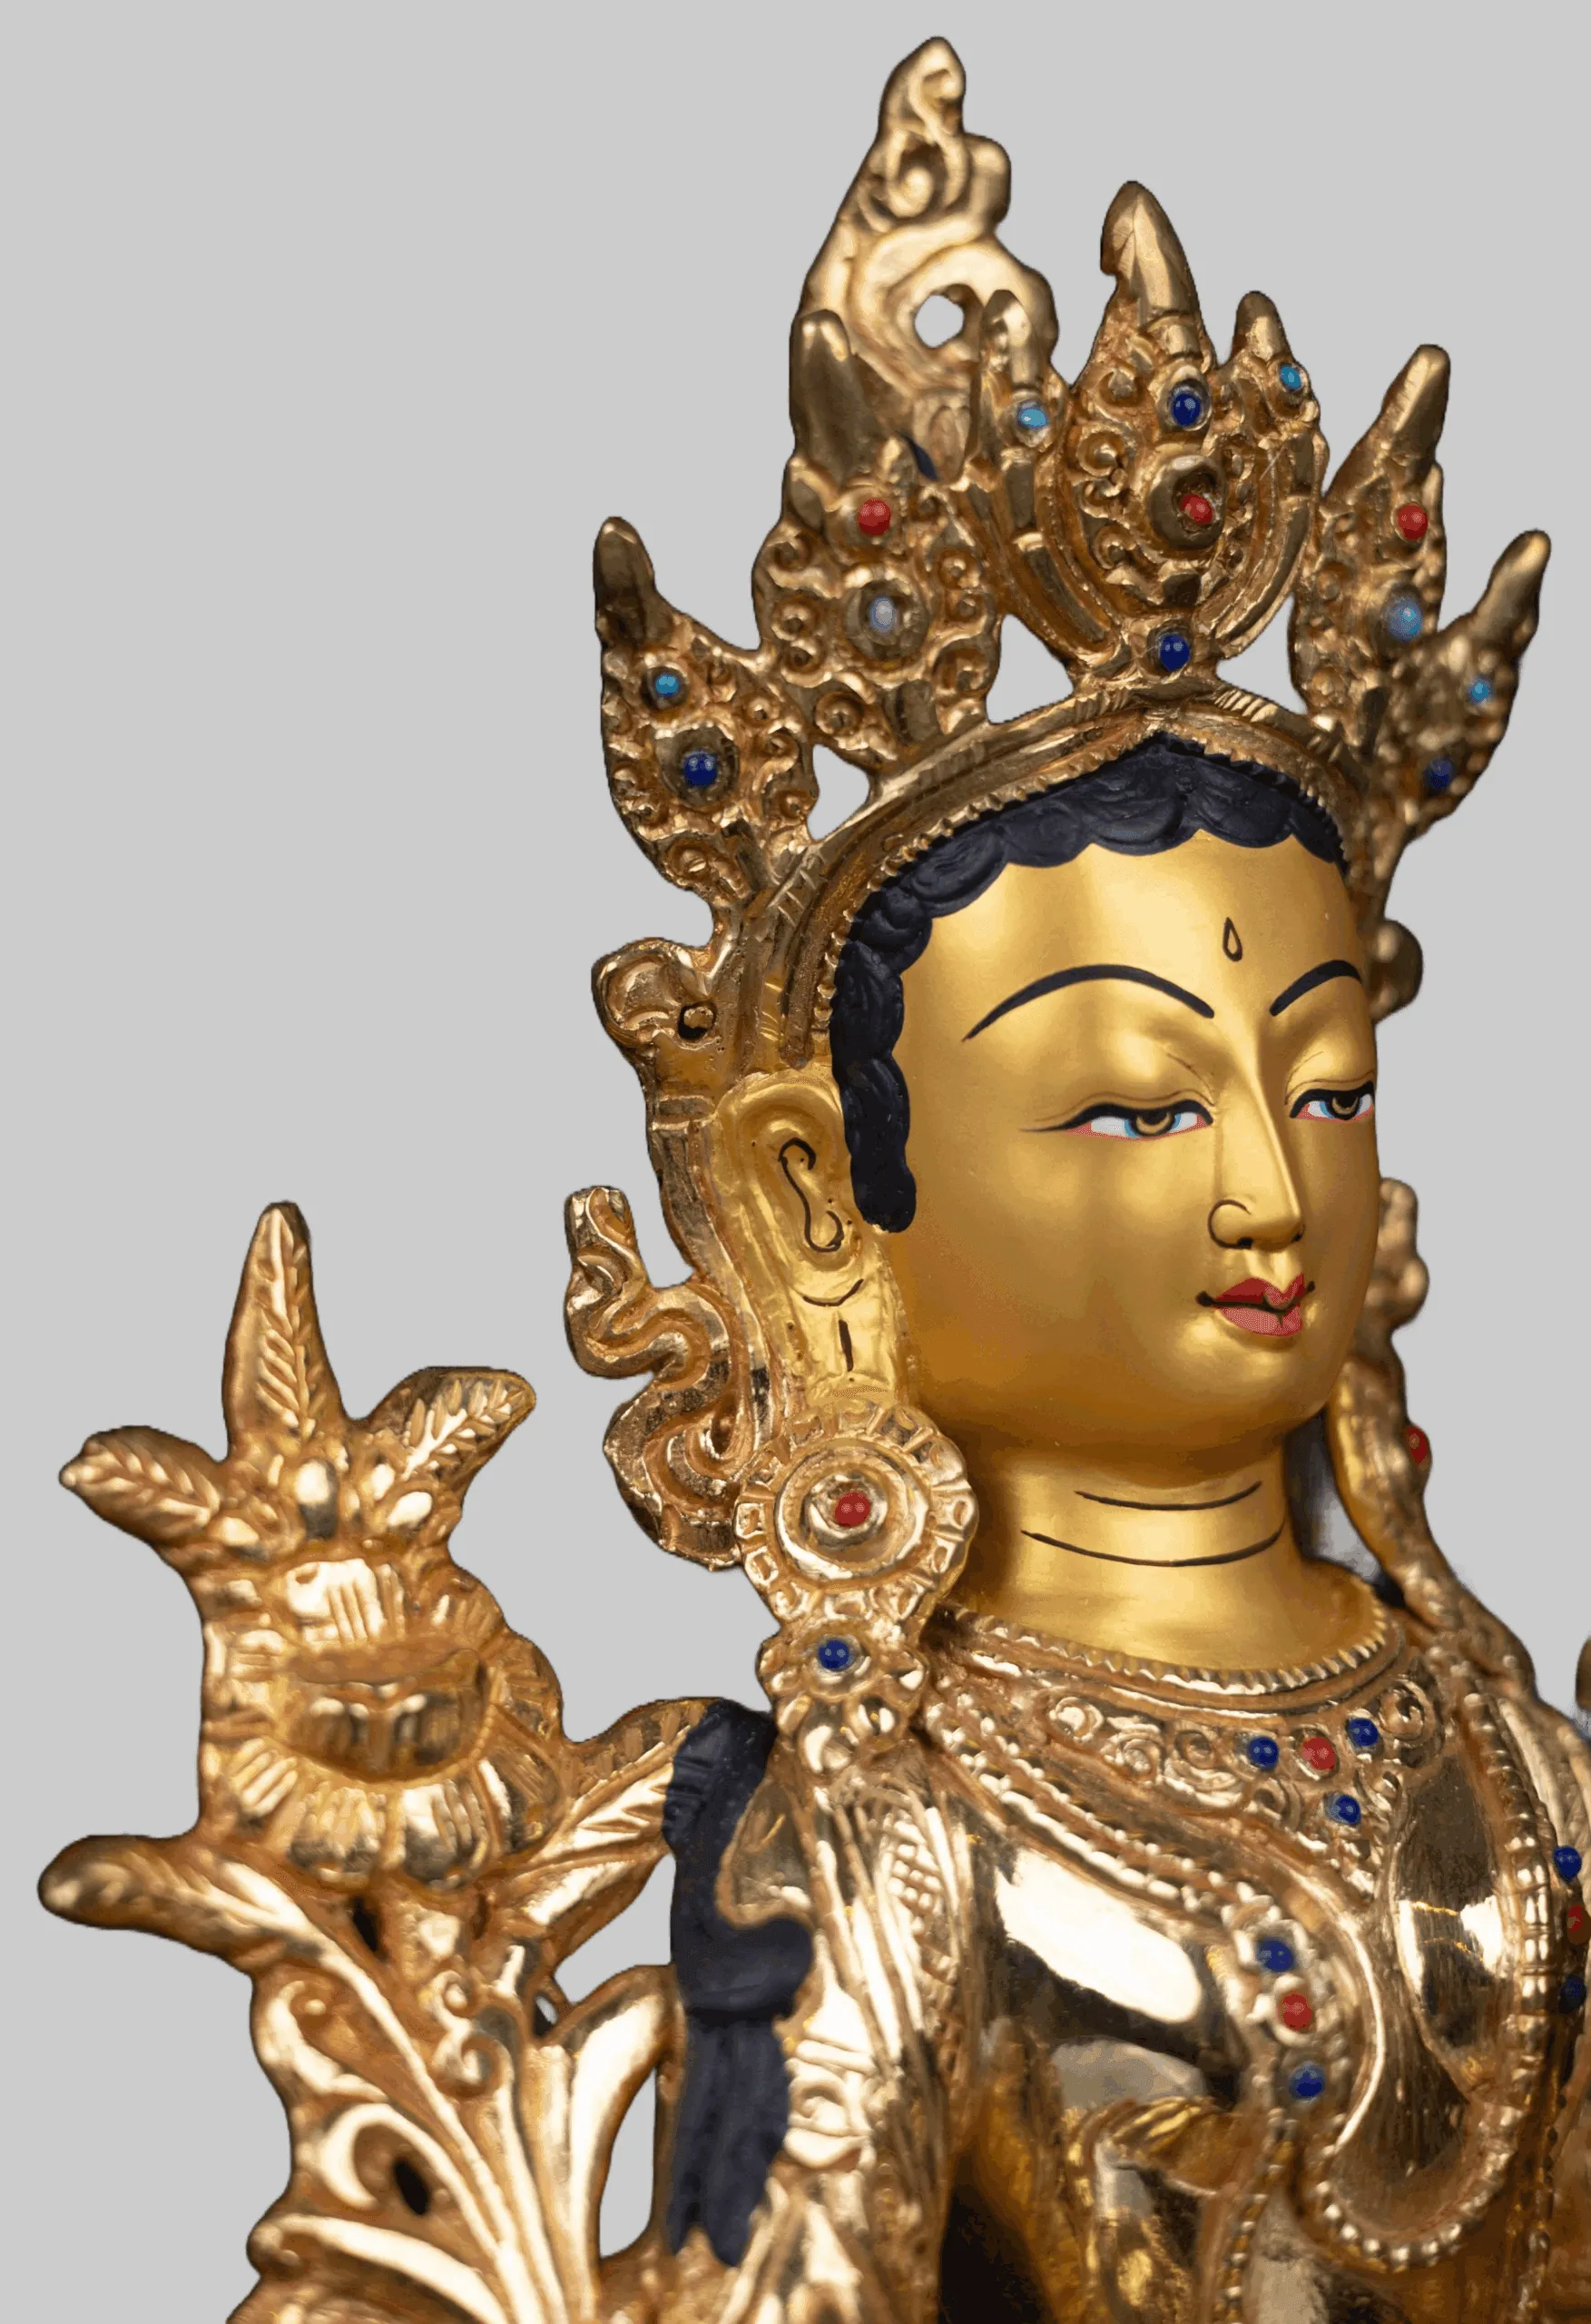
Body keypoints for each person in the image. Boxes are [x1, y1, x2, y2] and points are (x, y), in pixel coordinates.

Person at [44, 38, 1588, 2324]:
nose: (1274, 1187)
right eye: (1136, 1109)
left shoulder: (1521, 1758)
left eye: (1331, 1087)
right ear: (811, 1197)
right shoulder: (895, 1829)